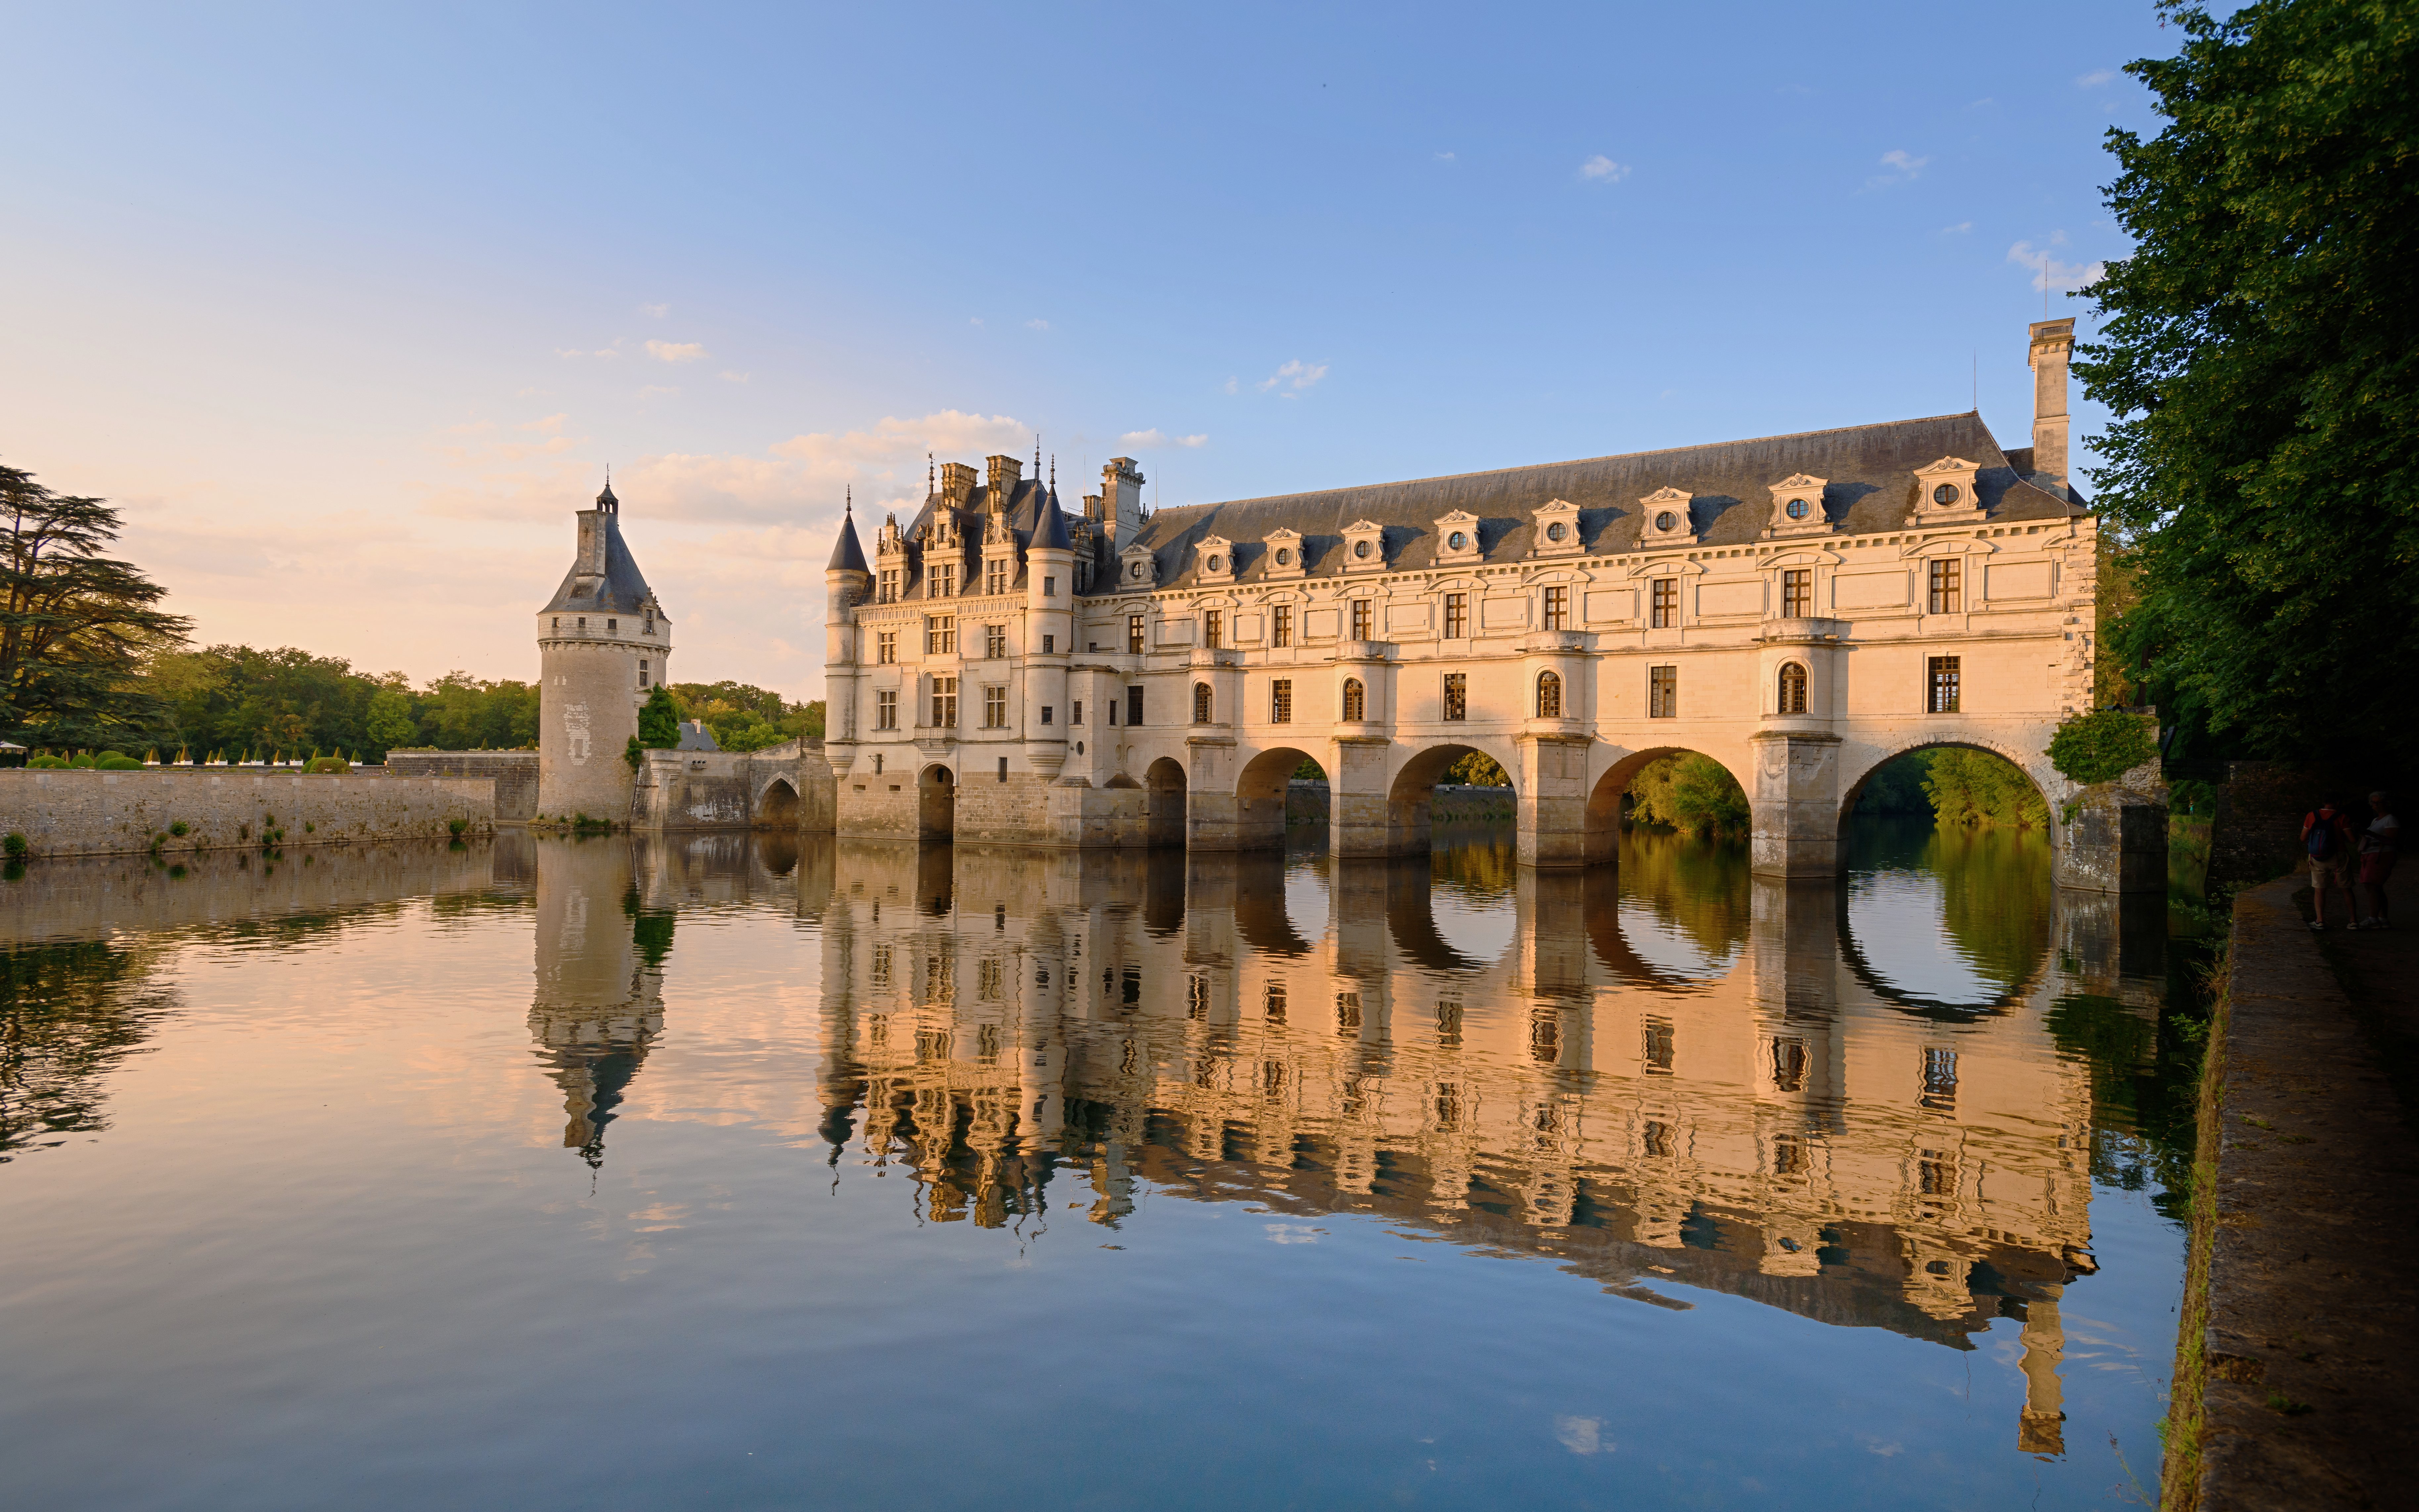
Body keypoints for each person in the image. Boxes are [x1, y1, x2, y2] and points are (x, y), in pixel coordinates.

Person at [2303, 798, 2357, 931]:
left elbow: (2303, 838)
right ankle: (2353, 921)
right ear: (2338, 803)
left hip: (2317, 857)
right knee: (2346, 888)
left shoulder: (2312, 815)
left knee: (2319, 889)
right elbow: (2353, 840)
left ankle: (2320, 921)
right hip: (2339, 856)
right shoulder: (2342, 817)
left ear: (2324, 801)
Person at [2353, 791, 2398, 931]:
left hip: (2381, 855)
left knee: (2372, 885)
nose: (2375, 805)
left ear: (2386, 803)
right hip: (2371, 854)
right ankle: (2382, 919)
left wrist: (2369, 833)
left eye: (2378, 803)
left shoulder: (2390, 820)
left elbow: (2392, 841)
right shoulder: (2376, 820)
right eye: (2373, 803)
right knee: (2375, 887)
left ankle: (2373, 918)